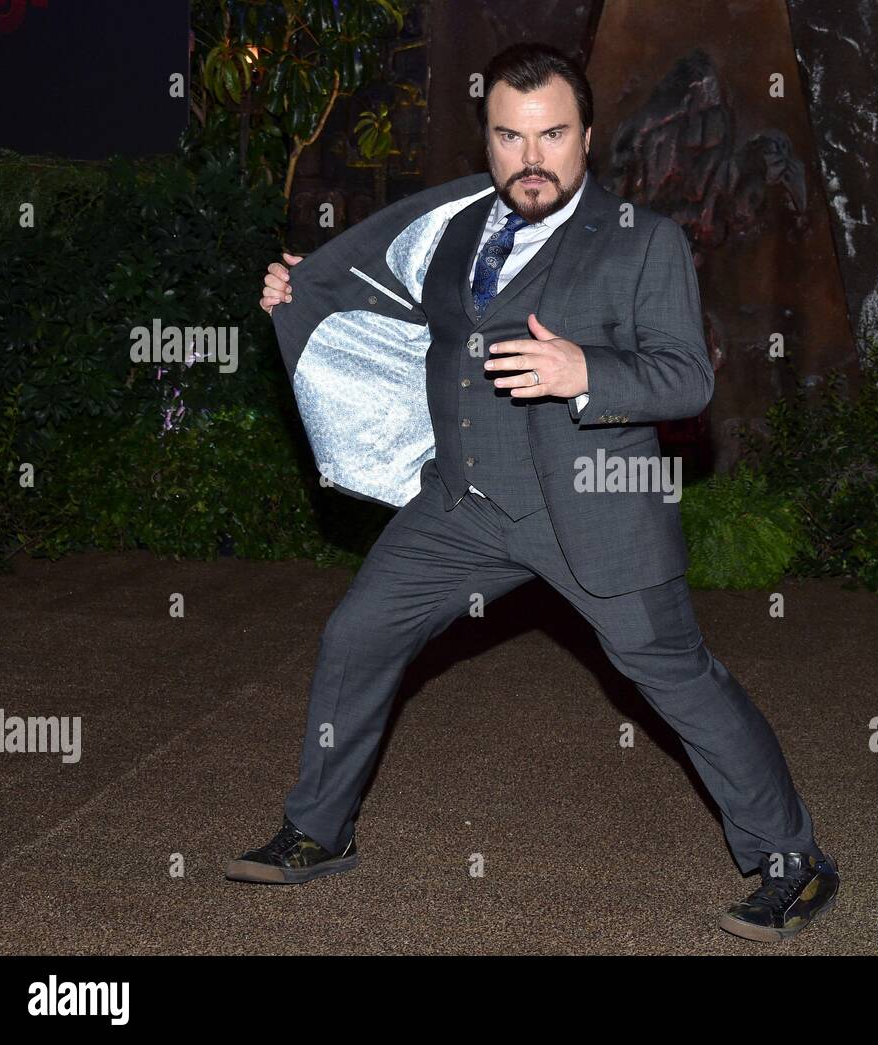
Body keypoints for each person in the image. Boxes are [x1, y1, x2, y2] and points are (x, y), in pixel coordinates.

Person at [227, 41, 837, 944]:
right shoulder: (456, 228)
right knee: (357, 633)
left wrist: (582, 368)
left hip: (592, 508)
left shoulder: (642, 242)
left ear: (587, 135)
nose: (532, 158)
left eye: (552, 135)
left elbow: (686, 380)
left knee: (677, 678)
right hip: (466, 502)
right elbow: (399, 311)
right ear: (489, 139)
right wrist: (302, 289)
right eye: (511, 138)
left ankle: (793, 860)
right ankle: (320, 829)